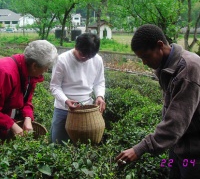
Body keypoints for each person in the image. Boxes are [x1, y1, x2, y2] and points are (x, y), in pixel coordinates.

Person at [115, 24, 200, 178]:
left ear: (160, 46)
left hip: (194, 155)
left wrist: (139, 149)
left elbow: (176, 121)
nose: (144, 63)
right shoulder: (165, 66)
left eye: (146, 57)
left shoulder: (188, 70)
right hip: (177, 148)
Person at [50, 33, 106, 144]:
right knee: (58, 145)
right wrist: (66, 101)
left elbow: (99, 82)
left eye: (89, 56)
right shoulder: (62, 60)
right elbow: (54, 86)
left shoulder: (97, 60)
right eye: (82, 54)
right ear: (76, 46)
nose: (85, 58)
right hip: (63, 110)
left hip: (87, 110)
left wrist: (100, 96)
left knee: (84, 146)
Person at [0, 40, 58, 141]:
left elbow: (26, 100)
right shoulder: (5, 73)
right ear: (34, 65)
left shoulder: (28, 73)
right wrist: (11, 125)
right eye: (46, 68)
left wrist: (27, 118)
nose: (45, 71)